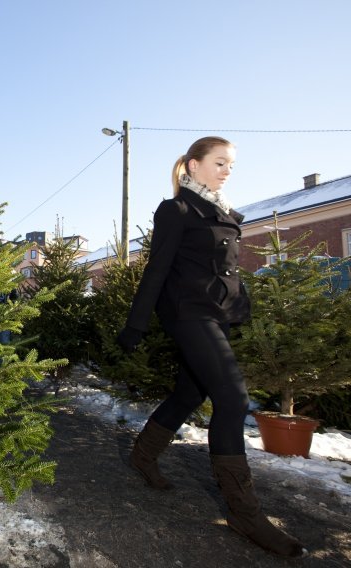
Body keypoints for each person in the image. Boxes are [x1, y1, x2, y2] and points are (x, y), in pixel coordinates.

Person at [116, 137, 305, 558]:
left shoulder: (220, 210)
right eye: (219, 163)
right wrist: (136, 324)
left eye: (231, 165)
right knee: (233, 400)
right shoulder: (178, 209)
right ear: (193, 165)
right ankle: (244, 512)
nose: (226, 171)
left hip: (215, 315)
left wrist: (239, 308)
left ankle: (143, 456)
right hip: (189, 315)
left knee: (189, 392)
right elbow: (157, 268)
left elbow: (227, 270)